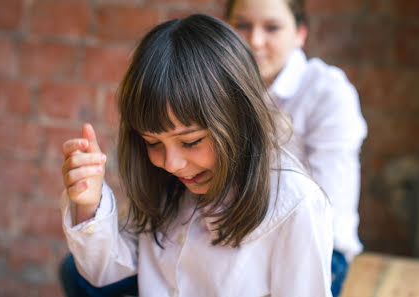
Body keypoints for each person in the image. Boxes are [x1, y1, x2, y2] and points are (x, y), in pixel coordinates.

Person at [59, 14, 333, 297]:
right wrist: (89, 205)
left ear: (239, 117)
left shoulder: (295, 206)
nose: (171, 163)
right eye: (153, 143)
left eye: (191, 142)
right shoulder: (167, 184)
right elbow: (105, 271)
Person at [225, 0, 368, 296]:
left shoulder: (327, 91)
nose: (254, 40)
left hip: (318, 246)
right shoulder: (220, 87)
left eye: (272, 27)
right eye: (242, 25)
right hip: (232, 239)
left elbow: (327, 206)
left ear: (300, 33)